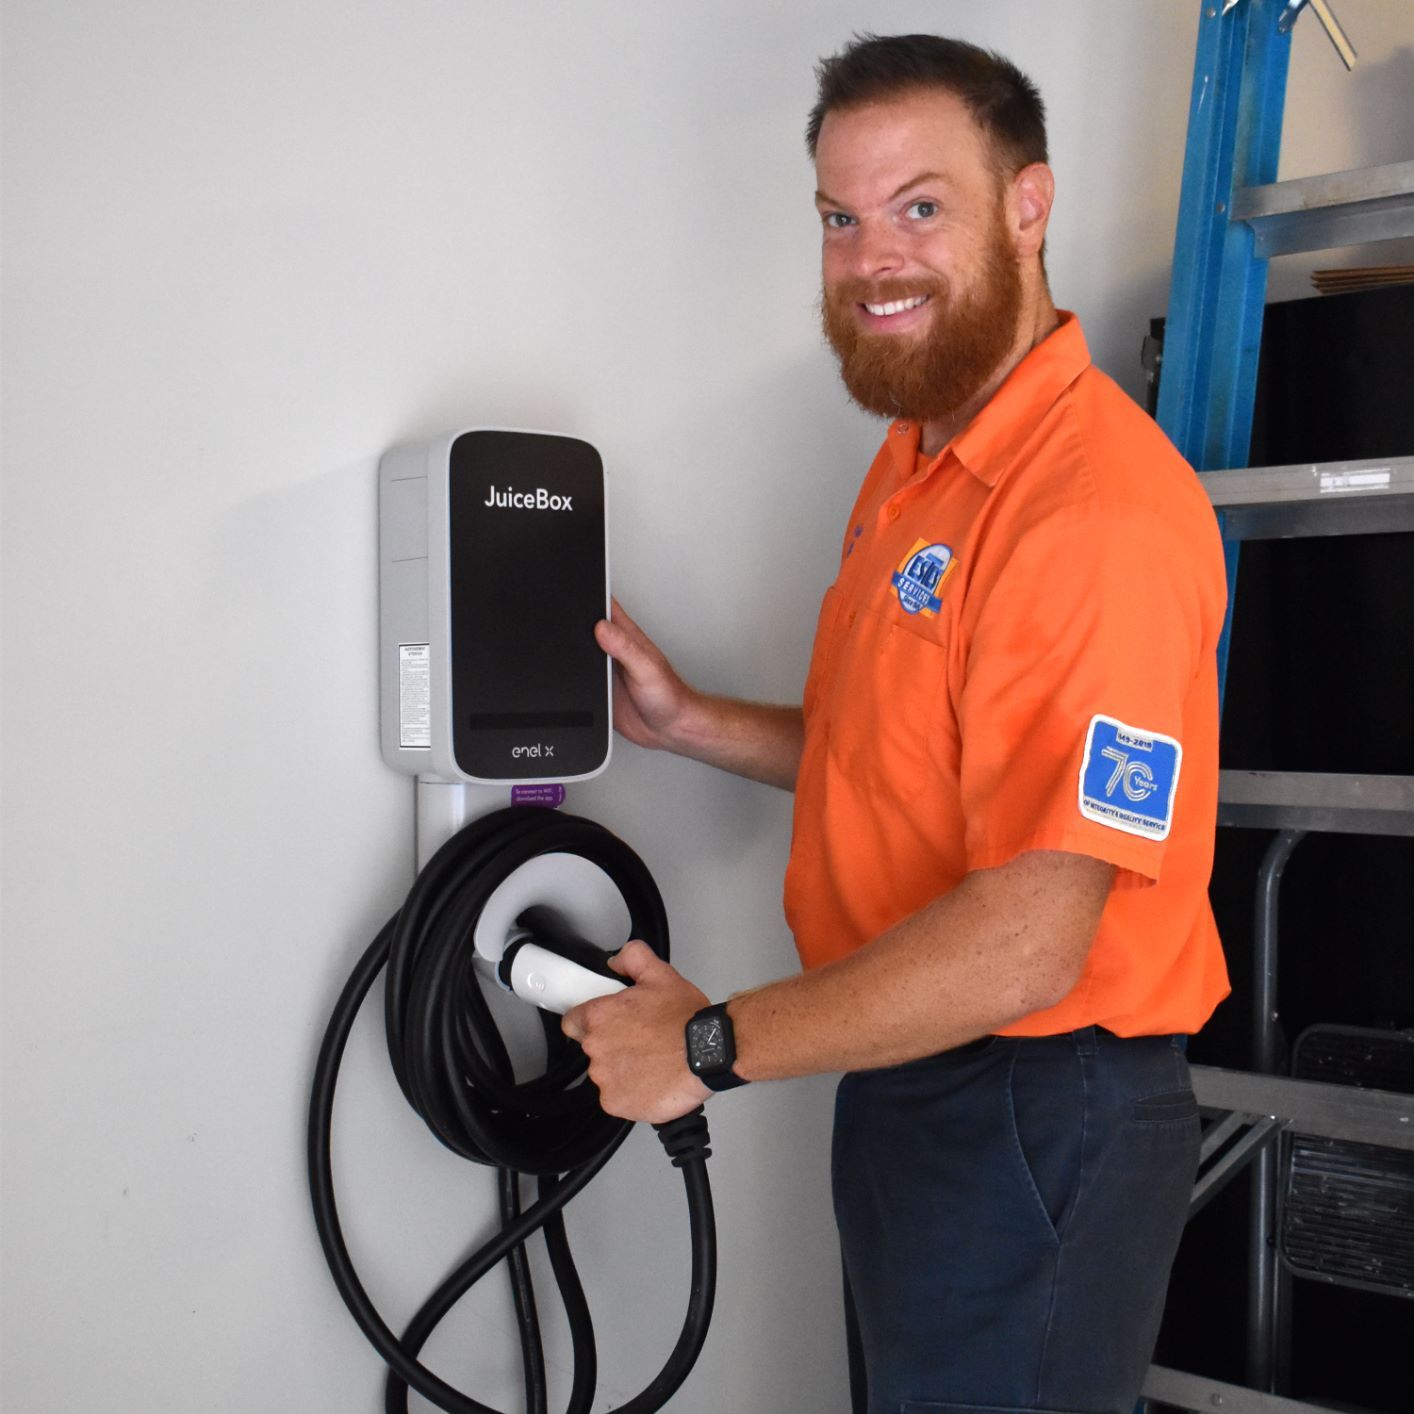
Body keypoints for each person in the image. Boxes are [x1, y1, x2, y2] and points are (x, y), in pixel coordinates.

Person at [561, 32, 1230, 1414]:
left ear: (1026, 206)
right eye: (839, 218)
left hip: (1037, 1100)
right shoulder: (924, 456)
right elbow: (908, 761)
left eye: (920, 206)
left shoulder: (1087, 509)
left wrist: (704, 1045)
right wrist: (690, 724)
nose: (873, 258)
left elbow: (1032, 937)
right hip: (914, 1065)